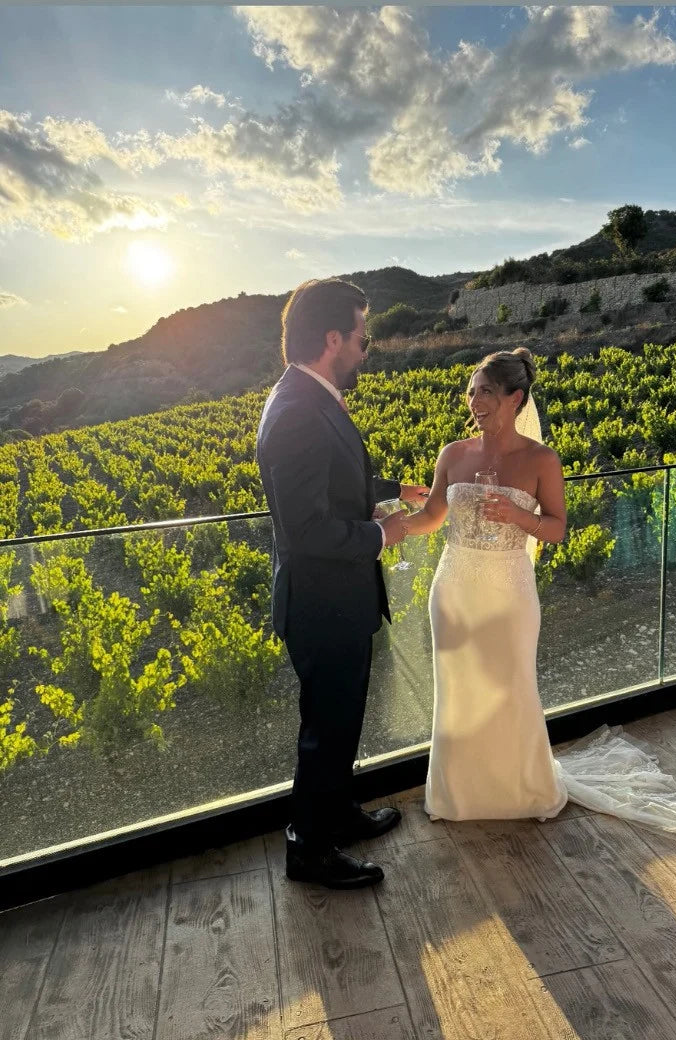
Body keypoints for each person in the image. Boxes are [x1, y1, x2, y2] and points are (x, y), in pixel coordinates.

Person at [403, 349, 676, 848]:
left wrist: (517, 517)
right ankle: (455, 794)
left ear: (515, 398)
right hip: (455, 588)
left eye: (485, 390)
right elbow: (431, 517)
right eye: (471, 391)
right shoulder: (453, 453)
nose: (474, 400)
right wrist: (382, 527)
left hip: (508, 589)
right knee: (459, 691)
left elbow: (556, 530)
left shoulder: (541, 459)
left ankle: (524, 791)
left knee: (511, 687)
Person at [256, 277, 429, 889]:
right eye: (361, 336)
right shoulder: (301, 409)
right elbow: (306, 529)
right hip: (323, 606)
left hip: (338, 603)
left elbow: (331, 478)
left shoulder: (308, 396)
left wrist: (386, 493)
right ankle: (308, 849)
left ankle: (335, 813)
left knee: (341, 719)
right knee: (324, 731)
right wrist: (387, 535)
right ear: (332, 338)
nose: (366, 348)